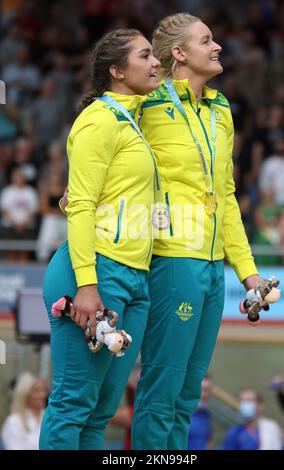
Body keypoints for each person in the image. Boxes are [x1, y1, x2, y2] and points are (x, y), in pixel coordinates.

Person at [131, 13, 261, 450]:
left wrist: (247, 272)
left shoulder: (221, 110)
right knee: (162, 390)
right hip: (171, 257)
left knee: (189, 394)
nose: (218, 46)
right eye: (207, 40)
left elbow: (225, 195)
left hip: (211, 268)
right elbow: (99, 133)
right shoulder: (145, 103)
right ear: (179, 54)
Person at [39, 28, 161, 450]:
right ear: (116, 70)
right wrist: (87, 285)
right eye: (145, 56)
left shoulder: (134, 122)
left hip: (135, 278)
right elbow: (82, 205)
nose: (156, 63)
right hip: (94, 272)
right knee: (73, 406)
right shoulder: (98, 120)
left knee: (99, 415)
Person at [1, 372, 47, 450]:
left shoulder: (48, 418)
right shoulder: (14, 422)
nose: (43, 395)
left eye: (44, 390)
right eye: (37, 391)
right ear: (24, 394)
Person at [188, 374, 213, 450]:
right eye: (202, 389)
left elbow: (207, 442)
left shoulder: (206, 415)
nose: (205, 395)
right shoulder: (179, 415)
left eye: (208, 391)